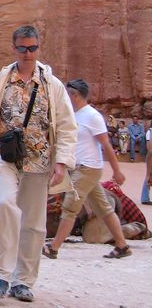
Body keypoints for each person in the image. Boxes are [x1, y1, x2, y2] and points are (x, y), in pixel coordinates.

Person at [0, 24, 76, 302]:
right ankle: (1, 275)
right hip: (5, 157)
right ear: (14, 48)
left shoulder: (52, 85)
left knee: (34, 222)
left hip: (40, 160)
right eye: (23, 48)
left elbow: (66, 124)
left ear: (39, 47)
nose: (28, 53)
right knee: (4, 205)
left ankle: (23, 281)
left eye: (32, 48)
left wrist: (62, 162)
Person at [42, 79, 131, 260]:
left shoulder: (92, 116)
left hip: (88, 168)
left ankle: (54, 247)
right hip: (80, 168)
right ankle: (122, 245)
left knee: (70, 206)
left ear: (74, 95)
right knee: (103, 208)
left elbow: (106, 145)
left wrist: (117, 171)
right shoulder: (74, 115)